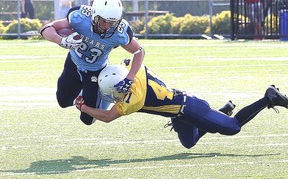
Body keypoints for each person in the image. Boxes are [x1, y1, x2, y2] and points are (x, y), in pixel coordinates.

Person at [74, 59, 288, 149]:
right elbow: (135, 56)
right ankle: (221, 112)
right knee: (190, 143)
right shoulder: (130, 67)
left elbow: (108, 116)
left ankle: (269, 97)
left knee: (232, 128)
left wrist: (83, 107)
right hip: (179, 112)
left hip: (191, 107)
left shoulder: (134, 100)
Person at [40, 0, 145, 125]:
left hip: (96, 71)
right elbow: (46, 28)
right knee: (63, 102)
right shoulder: (80, 18)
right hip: (73, 62)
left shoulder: (120, 33)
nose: (107, 26)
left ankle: (103, 94)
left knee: (87, 120)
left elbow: (139, 51)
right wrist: (61, 40)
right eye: (104, 21)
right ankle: (83, 92)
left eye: (112, 22)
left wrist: (130, 77)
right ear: (94, 15)